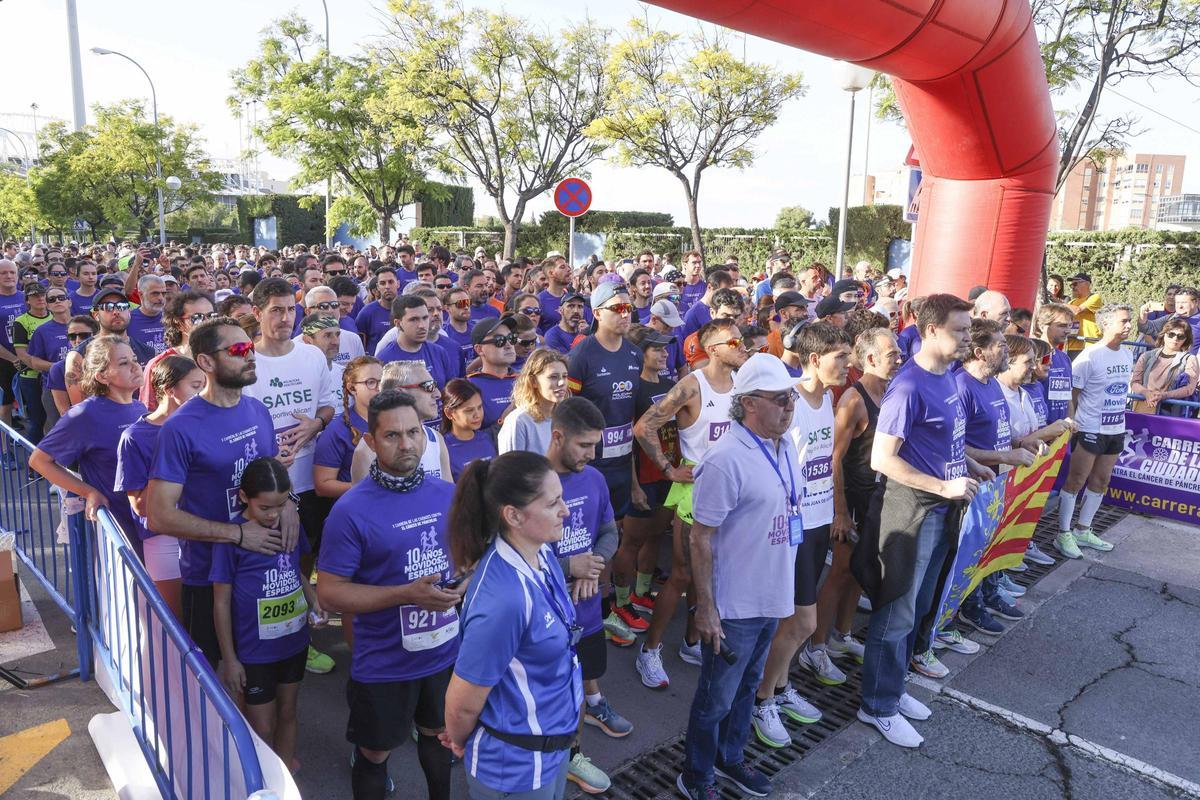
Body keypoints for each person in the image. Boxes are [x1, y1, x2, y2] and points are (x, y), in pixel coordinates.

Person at [854, 294, 992, 749]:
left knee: (918, 606)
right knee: (896, 611)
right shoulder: (908, 386)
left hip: (942, 509)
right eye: (961, 330)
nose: (968, 337)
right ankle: (877, 705)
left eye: (970, 329)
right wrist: (943, 487)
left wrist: (969, 464)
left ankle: (893, 691)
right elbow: (882, 459)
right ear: (931, 330)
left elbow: (945, 442)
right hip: (911, 511)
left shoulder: (951, 377)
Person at [318, 391, 461, 800]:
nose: (407, 444)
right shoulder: (351, 510)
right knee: (375, 753)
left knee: (438, 740)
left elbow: (469, 558)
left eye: (414, 432)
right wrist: (406, 595)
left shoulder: (445, 494)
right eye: (393, 435)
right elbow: (329, 593)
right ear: (371, 441)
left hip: (443, 653)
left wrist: (462, 583)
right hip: (383, 663)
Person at [677, 354, 804, 800]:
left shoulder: (783, 446)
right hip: (734, 607)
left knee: (748, 688)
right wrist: (706, 608)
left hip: (771, 595)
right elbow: (700, 538)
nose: (789, 406)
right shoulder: (726, 458)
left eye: (790, 397)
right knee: (715, 699)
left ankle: (730, 760)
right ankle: (696, 776)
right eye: (779, 399)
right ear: (749, 403)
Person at [146, 317, 294, 668]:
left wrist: (289, 507)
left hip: (262, 569)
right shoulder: (180, 428)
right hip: (207, 577)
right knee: (218, 686)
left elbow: (270, 475)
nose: (251, 356)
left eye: (250, 347)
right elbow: (159, 514)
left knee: (265, 680)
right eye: (239, 350)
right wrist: (238, 534)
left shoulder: (258, 410)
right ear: (206, 362)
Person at [442, 450, 582, 800]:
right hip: (515, 768)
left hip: (552, 747)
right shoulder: (503, 600)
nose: (565, 510)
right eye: (553, 504)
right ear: (514, 516)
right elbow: (462, 704)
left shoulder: (542, 554)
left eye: (561, 498)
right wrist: (458, 739)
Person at [751, 323, 851, 746]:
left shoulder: (827, 397)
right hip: (787, 529)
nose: (848, 365)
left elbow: (827, 460)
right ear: (814, 359)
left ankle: (780, 686)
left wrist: (835, 510)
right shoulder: (786, 399)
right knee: (801, 622)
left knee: (793, 621)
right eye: (840, 358)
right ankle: (761, 699)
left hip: (815, 523)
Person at [634, 318, 746, 684]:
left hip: (732, 487)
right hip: (696, 487)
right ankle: (650, 651)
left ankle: (692, 641)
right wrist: (668, 469)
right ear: (714, 349)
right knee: (682, 574)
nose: (742, 346)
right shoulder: (691, 386)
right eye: (735, 341)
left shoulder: (742, 383)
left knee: (712, 572)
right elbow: (644, 426)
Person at [243, 279, 337, 675]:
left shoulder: (312, 357)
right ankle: (282, 642)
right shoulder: (246, 359)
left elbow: (329, 406)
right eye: (275, 311)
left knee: (306, 558)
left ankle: (304, 633)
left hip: (309, 479)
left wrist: (313, 425)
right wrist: (268, 453)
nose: (284, 318)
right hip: (267, 487)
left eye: (290, 310)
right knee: (276, 565)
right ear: (258, 313)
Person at [212, 457, 327, 774]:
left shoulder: (289, 523)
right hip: (254, 651)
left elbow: (295, 571)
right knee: (261, 725)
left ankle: (284, 773)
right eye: (265, 508)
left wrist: (312, 596)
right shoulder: (232, 539)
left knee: (288, 712)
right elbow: (220, 602)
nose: (274, 515)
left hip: (293, 642)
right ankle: (260, 780)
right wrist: (230, 659)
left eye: (280, 505)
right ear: (244, 497)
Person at [543, 397, 630, 793]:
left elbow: (610, 532)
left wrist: (593, 563)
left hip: (589, 613)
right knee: (547, 696)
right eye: (584, 445)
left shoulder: (594, 478)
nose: (592, 455)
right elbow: (508, 559)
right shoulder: (529, 483)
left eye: (595, 445)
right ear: (557, 436)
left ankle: (573, 754)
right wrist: (567, 568)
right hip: (544, 622)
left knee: (578, 690)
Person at [950, 319, 1034, 639]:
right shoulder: (961, 387)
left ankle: (986, 595)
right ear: (979, 351)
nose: (1005, 351)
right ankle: (965, 609)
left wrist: (1018, 445)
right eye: (1000, 345)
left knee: (987, 548)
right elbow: (956, 445)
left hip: (995, 484)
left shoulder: (992, 384)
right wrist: (1005, 457)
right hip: (969, 488)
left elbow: (997, 432)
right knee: (968, 553)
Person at [29, 336, 149, 560]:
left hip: (148, 522)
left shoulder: (139, 406)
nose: (135, 366)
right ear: (102, 376)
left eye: (134, 359)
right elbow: (38, 460)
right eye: (123, 363)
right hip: (119, 528)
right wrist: (89, 492)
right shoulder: (85, 414)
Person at [823, 329, 902, 662]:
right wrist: (840, 512)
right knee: (840, 573)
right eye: (892, 355)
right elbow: (833, 458)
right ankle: (816, 647)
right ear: (870, 360)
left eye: (899, 352)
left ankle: (842, 635)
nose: (899, 359)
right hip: (853, 499)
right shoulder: (853, 400)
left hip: (878, 497)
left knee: (861, 569)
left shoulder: (892, 391)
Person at [116, 355, 206, 618]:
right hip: (163, 539)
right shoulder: (134, 437)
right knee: (175, 621)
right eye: (195, 386)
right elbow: (141, 507)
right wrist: (172, 461)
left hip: (205, 531)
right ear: (169, 390)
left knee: (207, 616)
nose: (202, 394)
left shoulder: (204, 426)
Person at [1057, 304, 1135, 558]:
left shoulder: (1127, 354)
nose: (1128, 325)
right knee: (1076, 480)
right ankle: (1063, 533)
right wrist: (1073, 423)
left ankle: (1083, 529)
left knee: (1101, 481)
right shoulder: (1090, 356)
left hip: (1116, 428)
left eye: (1129, 321)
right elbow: (1073, 394)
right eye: (1123, 321)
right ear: (1106, 323)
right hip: (1090, 427)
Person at [623, 325, 679, 649]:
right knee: (631, 541)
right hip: (642, 476)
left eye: (664, 348)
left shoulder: (671, 385)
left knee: (656, 535)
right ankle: (621, 601)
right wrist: (633, 485)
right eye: (656, 349)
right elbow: (630, 441)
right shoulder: (632, 389)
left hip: (666, 474)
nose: (664, 353)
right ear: (640, 353)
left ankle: (642, 592)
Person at [64, 286, 156, 406]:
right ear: (96, 314)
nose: (116, 311)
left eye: (122, 306)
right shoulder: (78, 355)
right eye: (108, 307)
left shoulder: (148, 352)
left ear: (129, 312)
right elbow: (79, 407)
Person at [313, 356, 383, 499]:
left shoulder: (397, 421)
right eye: (371, 382)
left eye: (383, 381)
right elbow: (322, 485)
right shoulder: (337, 431)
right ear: (352, 388)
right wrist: (371, 488)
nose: (379, 388)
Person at [139, 290, 217, 412]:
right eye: (197, 318)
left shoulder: (223, 356)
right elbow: (150, 411)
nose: (207, 322)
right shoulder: (159, 364)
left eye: (211, 316)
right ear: (178, 323)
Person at [498, 348, 570, 454]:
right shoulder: (518, 421)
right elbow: (509, 468)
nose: (561, 383)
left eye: (564, 376)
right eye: (553, 377)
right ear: (533, 381)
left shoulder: (565, 417)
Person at [9, 283, 50, 444]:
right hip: (31, 377)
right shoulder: (21, 321)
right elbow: (22, 354)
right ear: (27, 300)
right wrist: (46, 367)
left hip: (53, 376)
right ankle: (34, 465)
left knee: (54, 420)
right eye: (34, 296)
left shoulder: (55, 315)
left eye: (42, 295)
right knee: (37, 420)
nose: (40, 298)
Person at [1130, 319, 1198, 415]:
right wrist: (1146, 393)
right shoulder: (1146, 356)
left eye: (1180, 336)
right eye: (1171, 334)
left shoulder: (1190, 359)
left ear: (1186, 339)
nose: (1175, 339)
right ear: (1164, 334)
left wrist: (1163, 395)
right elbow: (1135, 382)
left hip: (1170, 413)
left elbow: (1189, 389)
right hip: (1144, 408)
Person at [468, 316, 520, 430]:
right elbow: (468, 438)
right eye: (499, 340)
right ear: (479, 349)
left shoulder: (525, 381)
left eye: (511, 338)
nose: (508, 345)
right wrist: (503, 422)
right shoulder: (469, 387)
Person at [440, 378, 496, 481]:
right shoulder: (443, 448)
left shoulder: (486, 438)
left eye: (479, 407)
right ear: (449, 413)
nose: (477, 415)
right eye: (469, 410)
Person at [357, 266, 401, 353]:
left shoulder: (409, 309)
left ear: (398, 284)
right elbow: (359, 342)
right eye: (383, 283)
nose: (387, 286)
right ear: (377, 286)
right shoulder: (367, 312)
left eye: (391, 282)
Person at [127, 274, 169, 354]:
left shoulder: (173, 319)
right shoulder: (128, 320)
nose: (161, 298)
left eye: (163, 293)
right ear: (141, 295)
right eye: (155, 293)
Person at [1065, 273, 1103, 357]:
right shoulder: (1071, 302)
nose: (1073, 287)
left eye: (1075, 284)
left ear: (1087, 284)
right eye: (1071, 285)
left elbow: (1077, 310)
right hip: (1073, 344)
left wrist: (1058, 304)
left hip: (1090, 343)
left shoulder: (1095, 297)